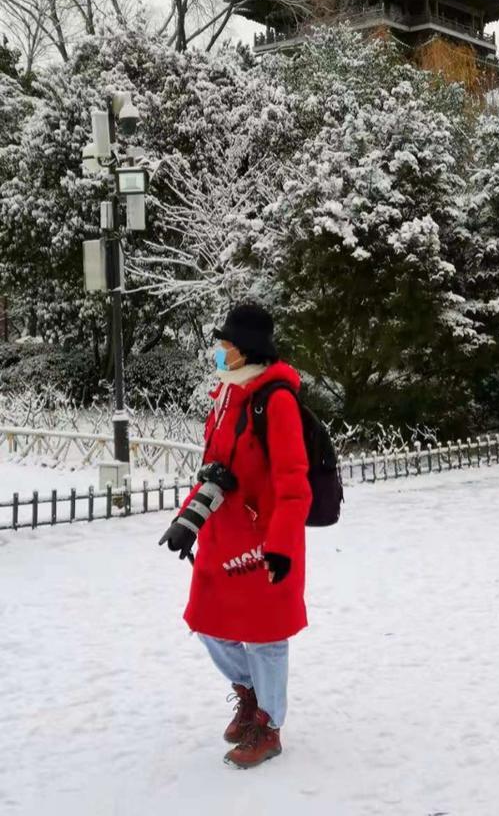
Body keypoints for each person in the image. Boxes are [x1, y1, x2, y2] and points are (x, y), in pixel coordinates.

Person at [158, 302, 311, 769]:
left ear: (246, 351)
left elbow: (294, 482)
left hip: (265, 543)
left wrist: (282, 548)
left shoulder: (276, 401)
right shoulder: (226, 396)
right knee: (206, 622)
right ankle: (249, 694)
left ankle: (268, 724)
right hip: (222, 538)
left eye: (226, 345)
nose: (220, 352)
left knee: (266, 638)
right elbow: (216, 471)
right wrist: (189, 520)